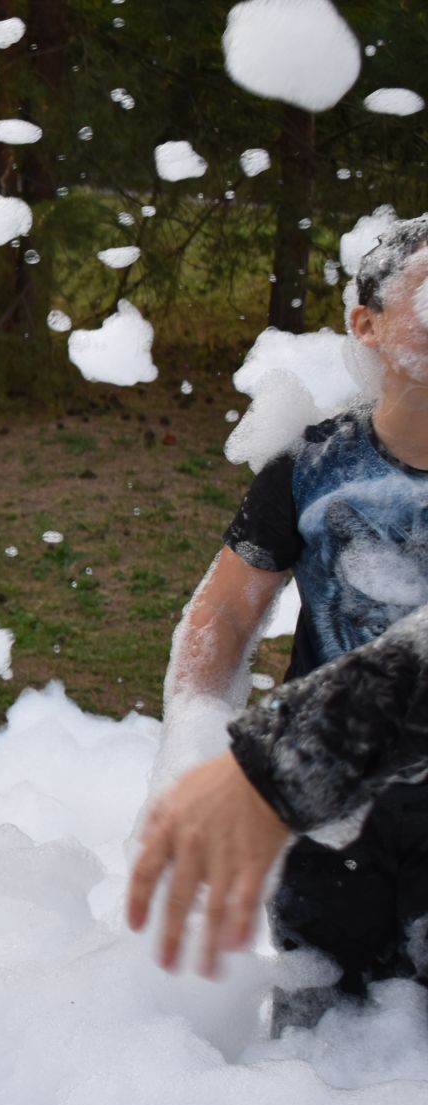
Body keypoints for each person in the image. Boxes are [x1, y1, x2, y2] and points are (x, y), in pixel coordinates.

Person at [151, 212, 428, 1027]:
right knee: (322, 1050)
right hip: (329, 820)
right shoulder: (310, 469)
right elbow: (224, 616)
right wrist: (195, 740)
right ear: (365, 323)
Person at [132, 603, 428, 978]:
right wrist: (191, 739)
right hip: (324, 842)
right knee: (318, 1012)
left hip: (311, 782)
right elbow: (227, 609)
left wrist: (279, 767)